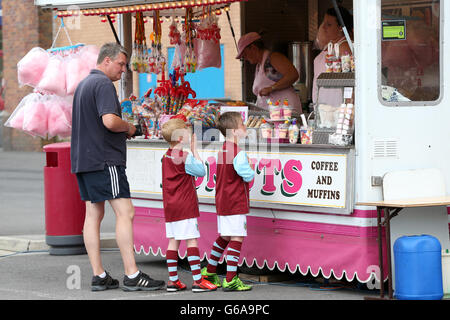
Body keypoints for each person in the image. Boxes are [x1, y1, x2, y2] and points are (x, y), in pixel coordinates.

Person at [71, 42, 165, 292]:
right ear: (106, 61)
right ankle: (132, 274)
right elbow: (110, 121)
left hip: (84, 160)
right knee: (126, 212)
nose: (124, 70)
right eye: (121, 64)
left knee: (93, 215)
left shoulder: (83, 85)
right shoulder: (102, 84)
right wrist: (130, 127)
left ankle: (99, 275)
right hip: (105, 160)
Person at [160, 118, 217, 293]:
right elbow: (201, 171)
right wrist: (194, 150)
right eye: (186, 131)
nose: (190, 134)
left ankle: (173, 280)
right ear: (179, 138)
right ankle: (198, 280)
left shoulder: (166, 156)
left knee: (173, 240)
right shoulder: (184, 157)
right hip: (185, 204)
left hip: (170, 205)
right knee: (191, 239)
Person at [201, 112, 255, 291]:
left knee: (225, 236)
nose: (245, 127)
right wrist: (251, 166)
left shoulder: (222, 149)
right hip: (235, 200)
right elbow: (246, 174)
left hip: (223, 199)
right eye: (242, 125)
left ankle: (209, 271)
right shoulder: (238, 153)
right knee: (237, 237)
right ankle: (231, 278)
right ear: (234, 131)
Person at [236, 32, 302, 113]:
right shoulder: (259, 66)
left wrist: (272, 88)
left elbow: (293, 75)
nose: (245, 58)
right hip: (273, 112)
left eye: (245, 54)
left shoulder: (273, 58)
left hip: (286, 111)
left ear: (253, 48)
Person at [312, 6, 353, 107]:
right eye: (324, 23)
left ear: (340, 27)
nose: (324, 27)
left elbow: (350, 81)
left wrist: (348, 108)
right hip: (323, 106)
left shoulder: (344, 48)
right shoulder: (330, 46)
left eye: (329, 24)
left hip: (336, 107)